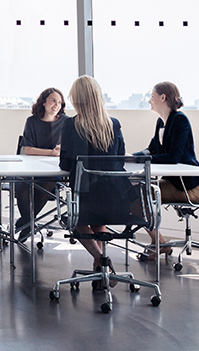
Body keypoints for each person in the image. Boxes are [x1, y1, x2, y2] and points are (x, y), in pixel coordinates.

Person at [58, 75, 126, 278]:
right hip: (115, 196)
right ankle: (101, 268)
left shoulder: (71, 125)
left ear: (77, 100)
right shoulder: (113, 124)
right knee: (98, 219)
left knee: (75, 219)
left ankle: (102, 259)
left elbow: (65, 164)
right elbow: (120, 160)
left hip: (86, 194)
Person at [135, 81, 199, 262]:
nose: (150, 100)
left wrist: (143, 159)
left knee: (138, 195)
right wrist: (130, 156)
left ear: (163, 97)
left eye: (152, 96)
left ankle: (158, 244)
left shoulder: (179, 120)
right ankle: (159, 243)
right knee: (135, 191)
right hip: (176, 183)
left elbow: (173, 156)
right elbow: (151, 150)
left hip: (190, 187)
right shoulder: (161, 122)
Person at [13, 87, 69, 242]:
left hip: (53, 170)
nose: (56, 105)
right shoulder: (32, 121)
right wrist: (51, 152)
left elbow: (71, 147)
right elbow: (28, 150)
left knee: (46, 185)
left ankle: (25, 223)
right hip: (30, 168)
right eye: (53, 100)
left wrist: (62, 150)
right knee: (21, 186)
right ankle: (28, 223)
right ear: (43, 102)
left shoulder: (66, 122)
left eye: (59, 102)